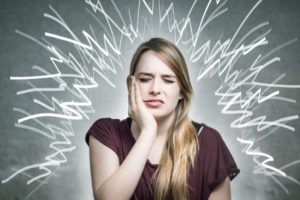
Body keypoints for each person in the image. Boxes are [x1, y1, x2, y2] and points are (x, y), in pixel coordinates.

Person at [85, 38, 240, 200]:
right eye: (145, 79)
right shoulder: (106, 132)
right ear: (131, 85)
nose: (155, 89)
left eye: (167, 80)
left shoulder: (208, 141)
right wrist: (148, 131)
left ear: (182, 90)